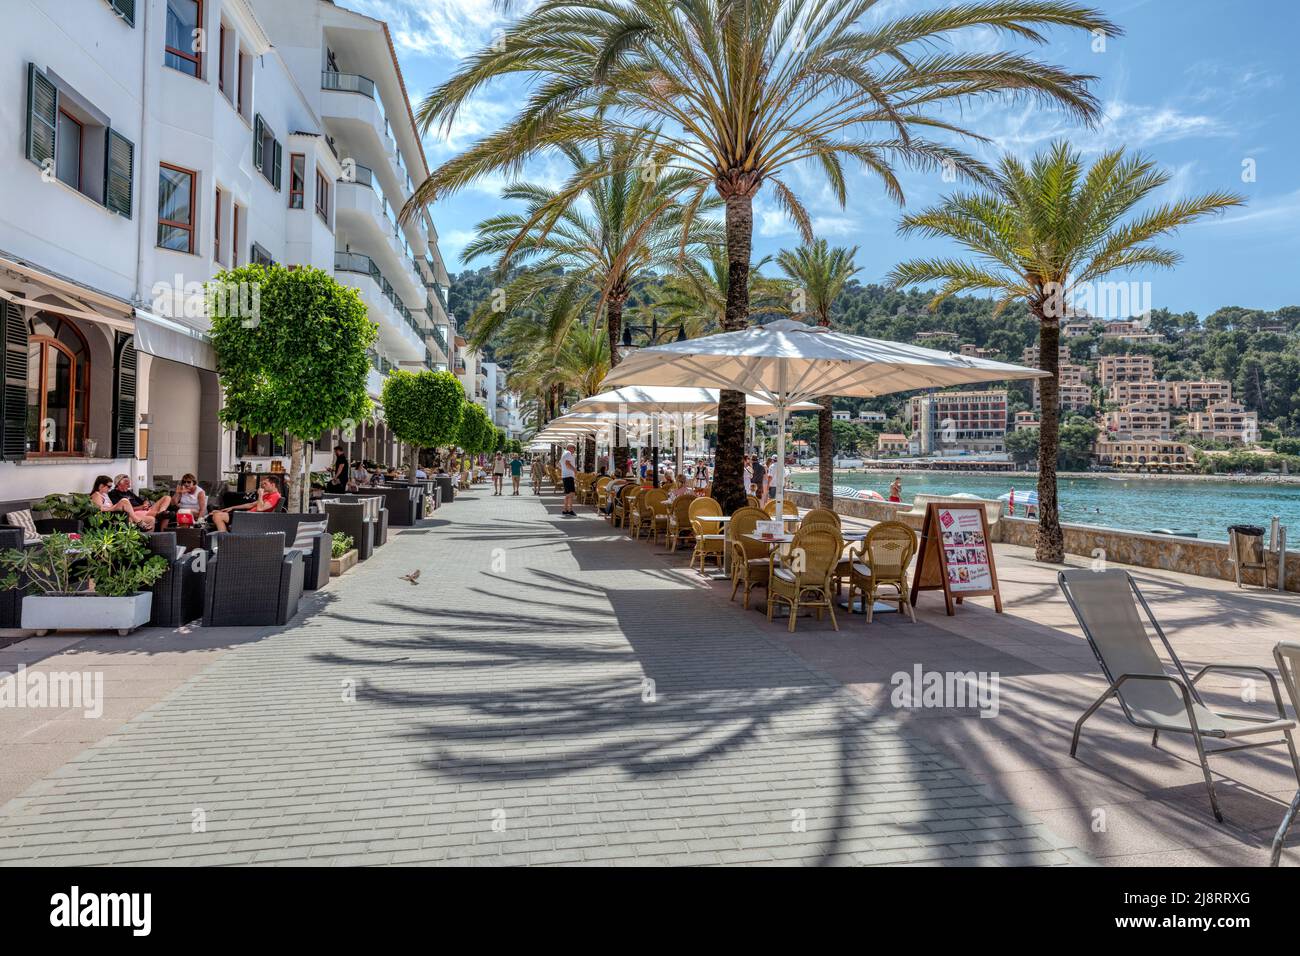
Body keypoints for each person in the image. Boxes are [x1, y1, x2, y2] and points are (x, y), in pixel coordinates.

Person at [210, 476, 282, 531]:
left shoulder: (275, 496)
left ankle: (224, 539)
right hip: (247, 515)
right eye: (263, 483)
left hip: (250, 519)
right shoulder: (268, 494)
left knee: (217, 516)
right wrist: (232, 507)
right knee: (216, 513)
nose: (263, 485)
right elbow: (250, 505)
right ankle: (226, 537)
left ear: (273, 485)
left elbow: (260, 509)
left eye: (265, 484)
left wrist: (260, 494)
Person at [560, 443, 577, 516]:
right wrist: (574, 470)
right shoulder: (568, 453)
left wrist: (564, 470)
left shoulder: (564, 454)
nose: (574, 451)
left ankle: (567, 510)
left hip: (566, 476)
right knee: (571, 493)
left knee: (569, 493)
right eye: (574, 449)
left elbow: (559, 464)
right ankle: (567, 509)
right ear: (570, 448)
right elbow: (567, 463)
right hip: (568, 476)